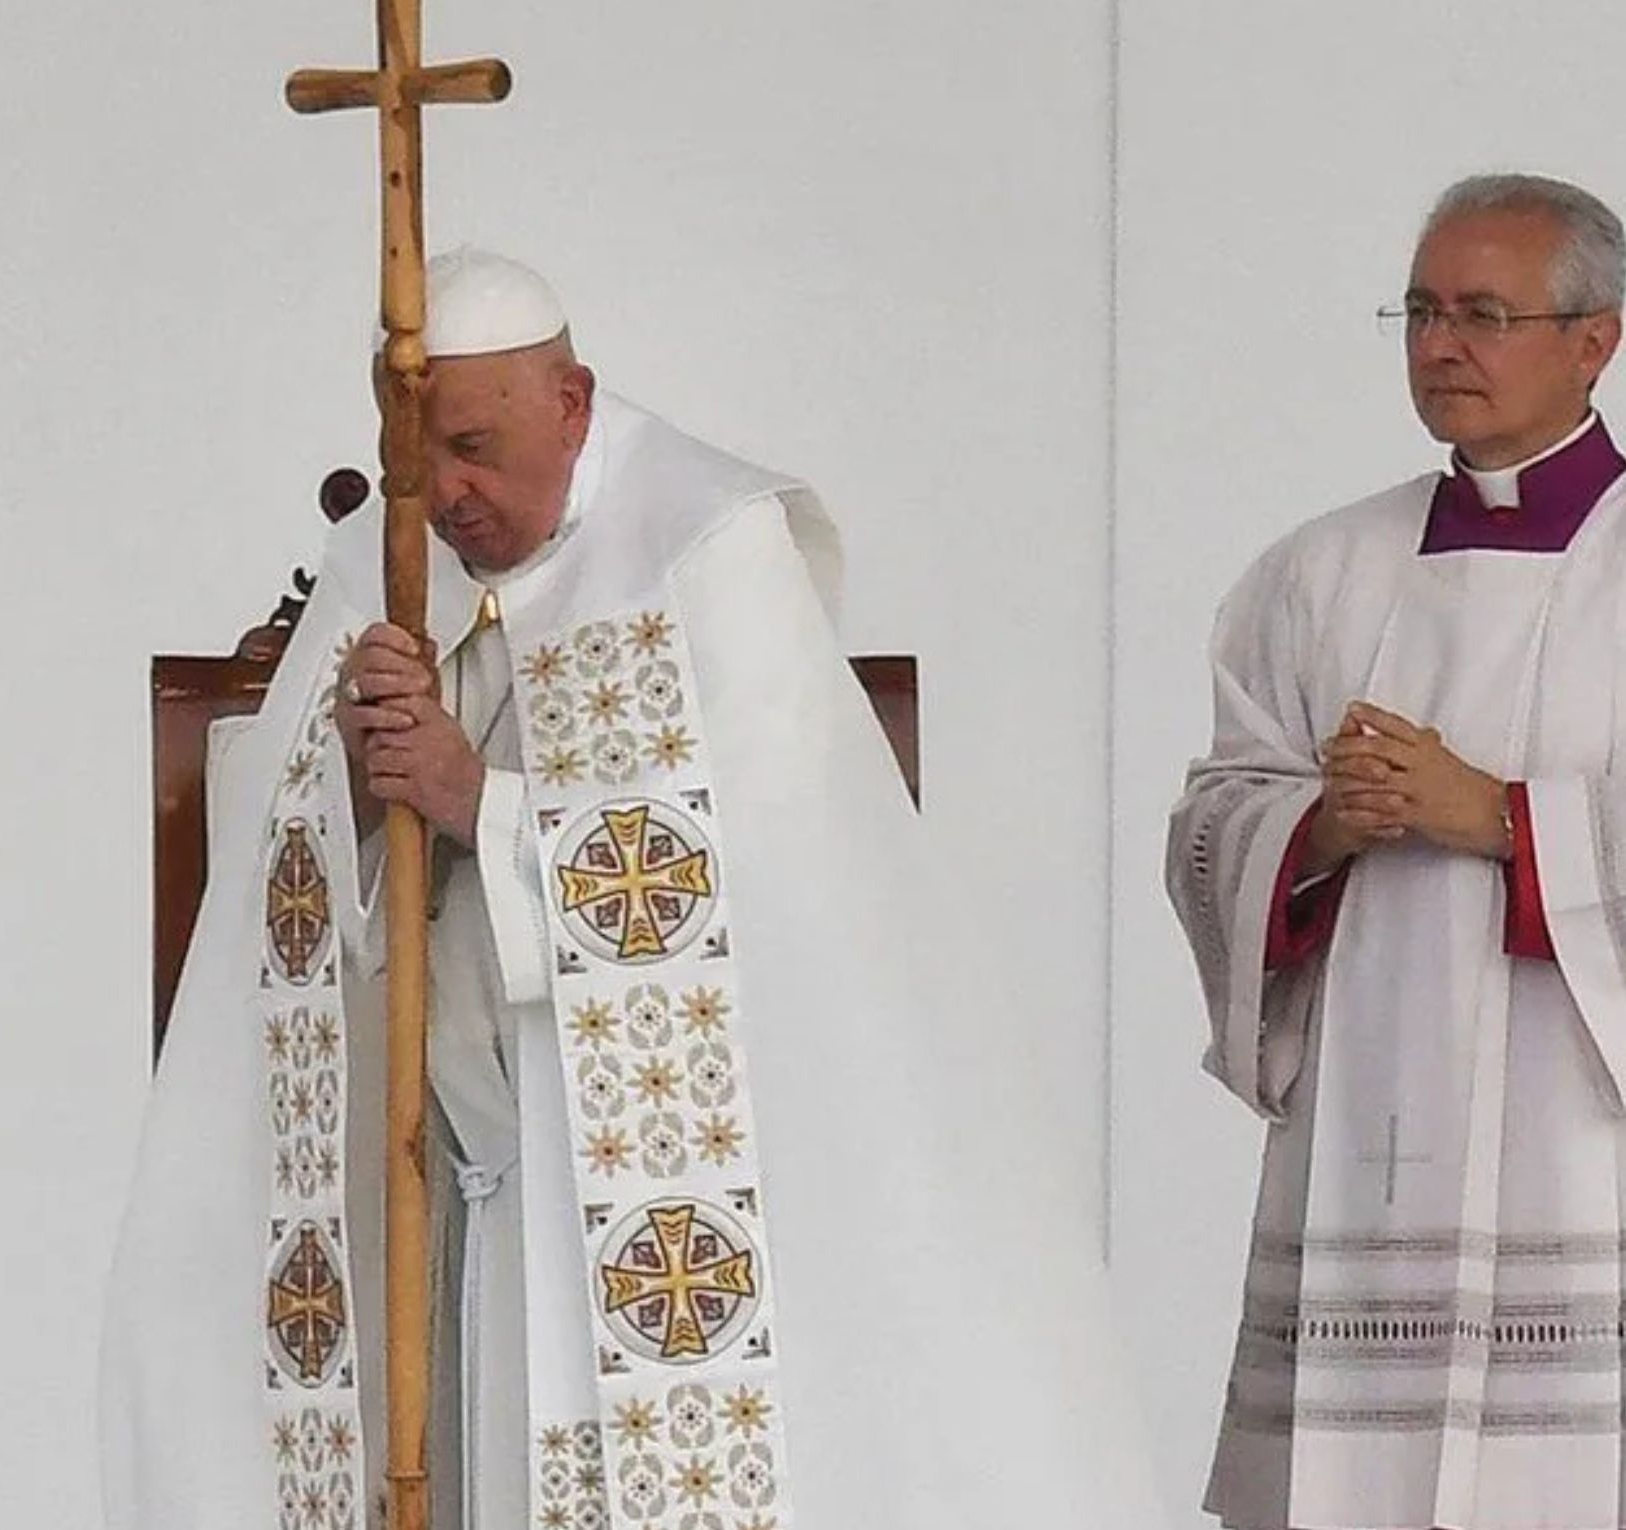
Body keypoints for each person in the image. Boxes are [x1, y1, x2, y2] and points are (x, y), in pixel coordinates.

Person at [105, 247, 1164, 1530]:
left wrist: (469, 801)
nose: (446, 496)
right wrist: (343, 775)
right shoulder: (378, 562)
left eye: (478, 450)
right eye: (415, 458)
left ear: (574, 399)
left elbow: (752, 893)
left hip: (630, 1194)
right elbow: (283, 905)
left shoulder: (708, 550)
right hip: (439, 1175)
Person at [1169, 172, 1626, 1530]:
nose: (1439, 346)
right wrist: (1315, 826)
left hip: (1578, 1125)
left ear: (1593, 337)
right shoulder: (1317, 571)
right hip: (1369, 1115)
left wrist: (1489, 814)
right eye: (1419, 311)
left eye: (1481, 313)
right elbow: (1211, 815)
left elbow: (1491, 809)